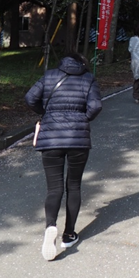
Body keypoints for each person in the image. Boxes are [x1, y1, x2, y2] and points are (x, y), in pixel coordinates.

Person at [25, 50, 102, 261]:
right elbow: (96, 105)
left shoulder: (50, 75)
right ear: (82, 63)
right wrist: (83, 118)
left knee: (54, 188)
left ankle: (50, 226)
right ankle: (68, 235)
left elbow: (30, 98)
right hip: (78, 139)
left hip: (51, 139)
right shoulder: (88, 78)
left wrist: (46, 112)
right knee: (73, 186)